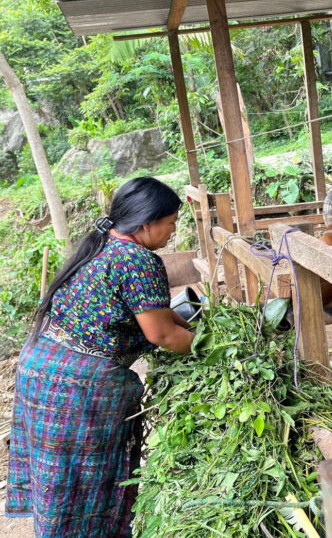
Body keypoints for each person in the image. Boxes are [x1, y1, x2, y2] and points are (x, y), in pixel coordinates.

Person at [5, 177, 194, 537]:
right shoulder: (139, 260)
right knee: (85, 480)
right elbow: (162, 335)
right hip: (78, 390)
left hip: (42, 371)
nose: (173, 230)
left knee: (59, 478)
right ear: (146, 223)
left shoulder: (103, 245)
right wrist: (209, 347)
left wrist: (186, 322)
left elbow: (156, 313)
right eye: (170, 222)